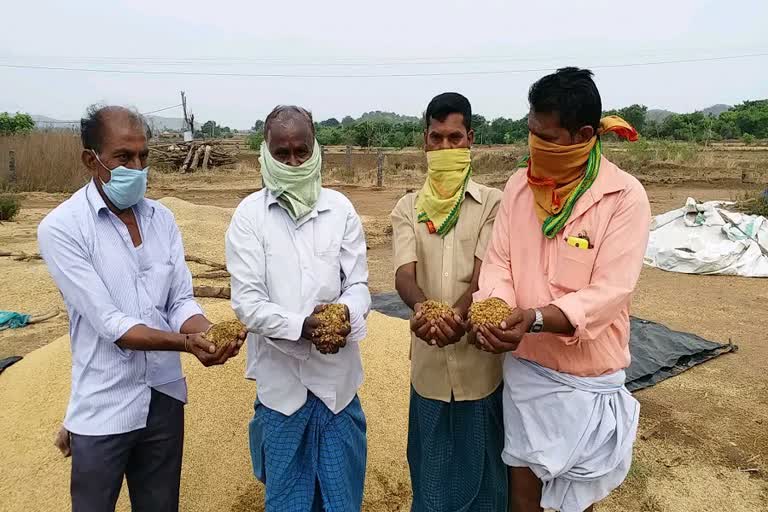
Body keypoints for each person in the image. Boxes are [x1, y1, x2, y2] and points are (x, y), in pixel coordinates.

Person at [38, 105, 242, 512]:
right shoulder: (62, 228)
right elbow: (111, 323)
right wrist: (188, 344)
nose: (137, 167)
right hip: (103, 406)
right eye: (123, 157)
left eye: (143, 156)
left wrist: (211, 330)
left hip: (163, 397)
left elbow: (179, 300)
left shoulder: (161, 219)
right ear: (90, 160)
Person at [471, 67, 651, 512]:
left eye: (547, 137)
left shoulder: (623, 197)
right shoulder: (518, 187)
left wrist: (534, 318)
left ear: (584, 134)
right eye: (531, 133)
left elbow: (611, 291)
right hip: (528, 370)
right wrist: (495, 306)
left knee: (575, 501)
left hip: (585, 381)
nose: (535, 146)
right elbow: (499, 263)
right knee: (524, 494)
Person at [225, 105, 371, 512]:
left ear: (316, 149)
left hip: (337, 390)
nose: (293, 162)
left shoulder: (340, 209)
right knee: (287, 500)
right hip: (281, 393)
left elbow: (358, 284)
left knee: (342, 500)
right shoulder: (249, 216)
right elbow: (248, 304)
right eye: (282, 153)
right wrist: (304, 327)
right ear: (265, 152)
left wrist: (343, 316)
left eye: (302, 152)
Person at [391, 92, 507, 511]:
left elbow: (485, 275)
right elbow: (405, 273)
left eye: (453, 138)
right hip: (429, 367)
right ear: (425, 141)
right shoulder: (407, 207)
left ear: (470, 139)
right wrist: (424, 309)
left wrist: (457, 315)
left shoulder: (493, 203)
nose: (444, 149)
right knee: (431, 474)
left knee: (487, 477)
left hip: (479, 363)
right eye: (436, 139)